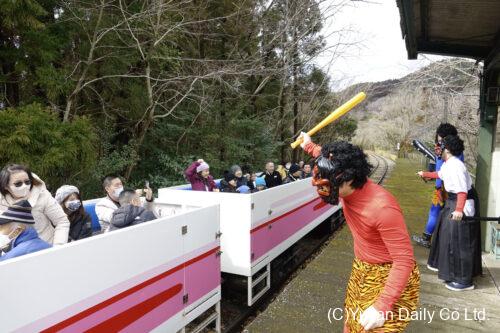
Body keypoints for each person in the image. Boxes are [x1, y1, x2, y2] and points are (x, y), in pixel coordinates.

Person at [299, 132, 419, 332]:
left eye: (330, 182)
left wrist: (382, 307)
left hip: (388, 275)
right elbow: (326, 156)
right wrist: (309, 145)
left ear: (349, 178)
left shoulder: (382, 208)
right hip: (361, 268)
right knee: (351, 325)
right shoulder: (342, 175)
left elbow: (404, 260)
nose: (324, 186)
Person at [417, 135, 481, 291]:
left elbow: (461, 190)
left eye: (440, 145)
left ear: (448, 149)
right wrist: (426, 174)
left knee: (460, 240)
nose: (437, 148)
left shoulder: (456, 166)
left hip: (461, 202)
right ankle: (451, 272)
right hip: (452, 201)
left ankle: (464, 280)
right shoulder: (448, 164)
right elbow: (440, 174)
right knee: (447, 235)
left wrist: (459, 210)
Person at [413, 123, 463, 248]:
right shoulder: (458, 149)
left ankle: (427, 238)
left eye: (440, 136)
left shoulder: (443, 150)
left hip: (443, 188)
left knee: (434, 212)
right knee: (449, 213)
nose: (439, 138)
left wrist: (437, 187)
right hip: (456, 188)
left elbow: (441, 171)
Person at [0, 164, 70, 245]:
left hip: (46, 246)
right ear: (6, 186)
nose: (24, 186)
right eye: (18, 183)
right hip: (15, 252)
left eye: (27, 182)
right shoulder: (2, 202)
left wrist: (58, 246)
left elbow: (62, 221)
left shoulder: (43, 195)